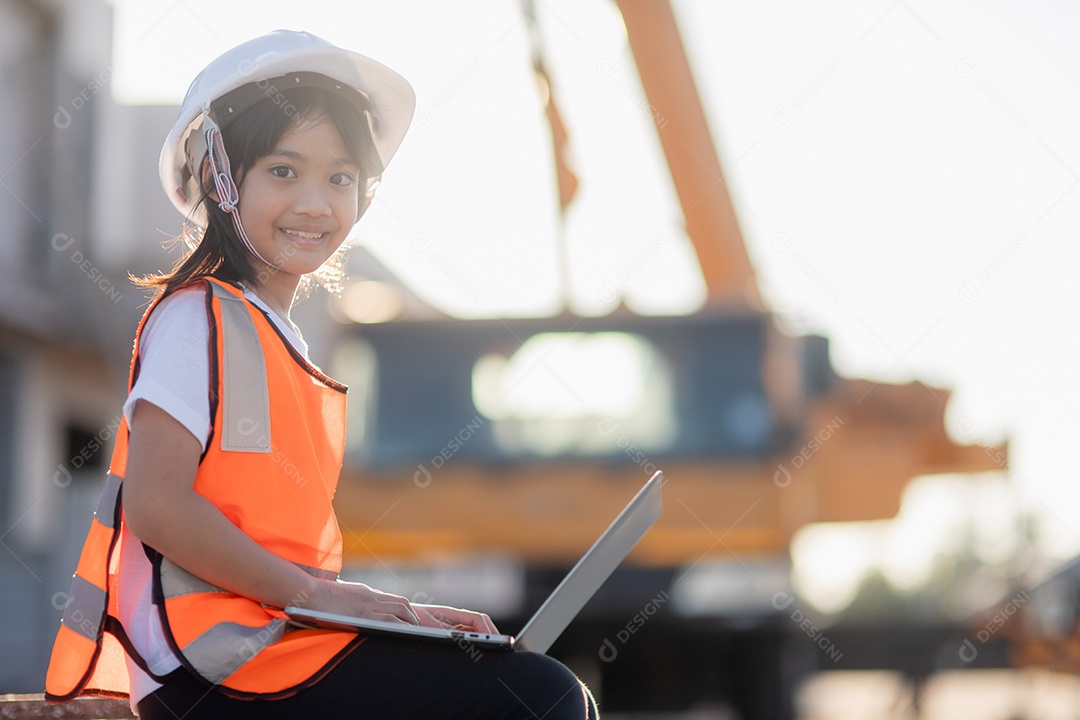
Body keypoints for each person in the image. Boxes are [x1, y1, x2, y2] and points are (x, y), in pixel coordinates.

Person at [44, 30, 599, 719]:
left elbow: (274, 555)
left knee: (516, 676)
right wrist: (327, 600)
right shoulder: (198, 319)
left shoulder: (278, 337)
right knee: (538, 696)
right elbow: (158, 506)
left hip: (269, 649)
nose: (315, 201)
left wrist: (382, 610)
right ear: (218, 178)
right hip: (212, 670)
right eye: (283, 170)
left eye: (339, 178)